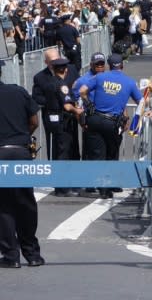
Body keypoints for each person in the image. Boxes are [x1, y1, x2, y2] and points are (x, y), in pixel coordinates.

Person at [78, 53, 143, 199]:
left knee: (97, 154)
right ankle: (108, 186)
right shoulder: (129, 82)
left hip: (96, 119)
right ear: (122, 65)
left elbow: (82, 91)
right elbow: (142, 101)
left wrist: (89, 105)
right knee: (111, 154)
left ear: (108, 65)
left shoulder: (100, 77)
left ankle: (101, 186)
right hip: (113, 123)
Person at [0, 63, 45, 268]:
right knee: (26, 203)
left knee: (4, 206)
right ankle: (32, 253)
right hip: (21, 150)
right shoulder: (18, 91)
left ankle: (11, 255)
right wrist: (23, 136)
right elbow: (34, 120)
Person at [31, 51, 82, 197]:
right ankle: (61, 186)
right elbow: (38, 98)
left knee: (71, 149)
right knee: (59, 152)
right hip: (58, 120)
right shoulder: (42, 78)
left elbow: (77, 87)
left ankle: (72, 182)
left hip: (67, 120)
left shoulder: (71, 71)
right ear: (47, 63)